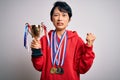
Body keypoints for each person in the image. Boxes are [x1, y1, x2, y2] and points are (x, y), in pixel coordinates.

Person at [31, 1, 96, 80]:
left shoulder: (76, 40)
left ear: (69, 19)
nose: (60, 18)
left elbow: (82, 69)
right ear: (51, 18)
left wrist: (89, 46)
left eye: (64, 15)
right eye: (56, 15)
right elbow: (39, 66)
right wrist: (36, 51)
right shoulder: (44, 40)